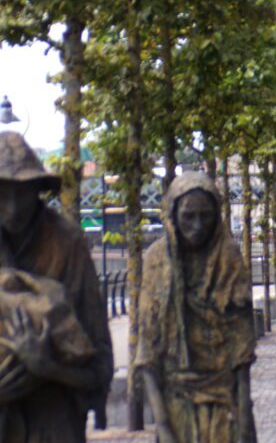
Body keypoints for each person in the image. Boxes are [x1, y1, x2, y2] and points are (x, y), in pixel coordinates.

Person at [0, 131, 113, 443]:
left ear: (38, 190)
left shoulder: (68, 243)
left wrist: (47, 367)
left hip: (53, 423)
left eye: (21, 193)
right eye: (2, 193)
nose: (12, 207)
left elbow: (99, 363)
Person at [135, 172, 257, 443]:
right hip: (176, 400)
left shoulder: (229, 259)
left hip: (224, 400)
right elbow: (147, 350)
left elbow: (242, 348)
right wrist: (163, 425)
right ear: (173, 216)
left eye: (206, 215)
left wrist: (245, 414)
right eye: (189, 216)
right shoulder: (156, 261)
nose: (198, 225)